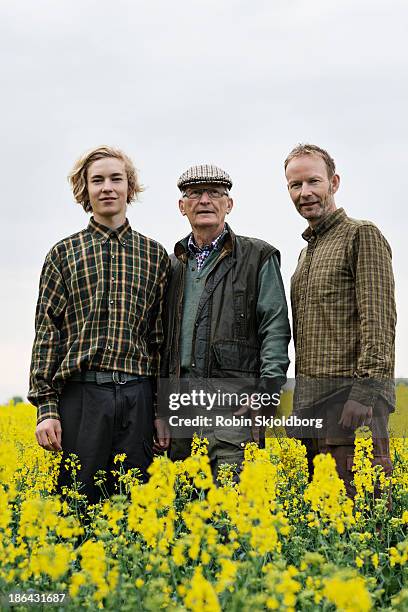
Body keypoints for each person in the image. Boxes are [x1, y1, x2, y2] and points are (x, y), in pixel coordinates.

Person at [28, 145, 169, 502]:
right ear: (85, 190)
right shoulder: (63, 253)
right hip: (82, 395)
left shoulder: (155, 255)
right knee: (78, 505)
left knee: (135, 508)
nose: (107, 187)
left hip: (137, 394)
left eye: (115, 179)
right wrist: (46, 409)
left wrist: (160, 411)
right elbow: (48, 333)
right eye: (97, 180)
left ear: (129, 187)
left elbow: (159, 340)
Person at [158, 164, 290, 479]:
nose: (205, 200)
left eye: (215, 193)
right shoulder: (171, 266)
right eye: (194, 194)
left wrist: (268, 391)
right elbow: (158, 341)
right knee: (187, 511)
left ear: (228, 204)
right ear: (182, 206)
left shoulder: (258, 256)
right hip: (180, 406)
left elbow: (275, 326)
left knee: (234, 508)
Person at [285, 143, 396, 496]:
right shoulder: (305, 253)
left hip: (351, 405)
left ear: (334, 182)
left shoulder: (361, 234)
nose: (305, 193)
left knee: (361, 517)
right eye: (295, 185)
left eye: (313, 182)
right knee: (326, 522)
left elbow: (379, 322)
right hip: (314, 409)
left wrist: (364, 395)